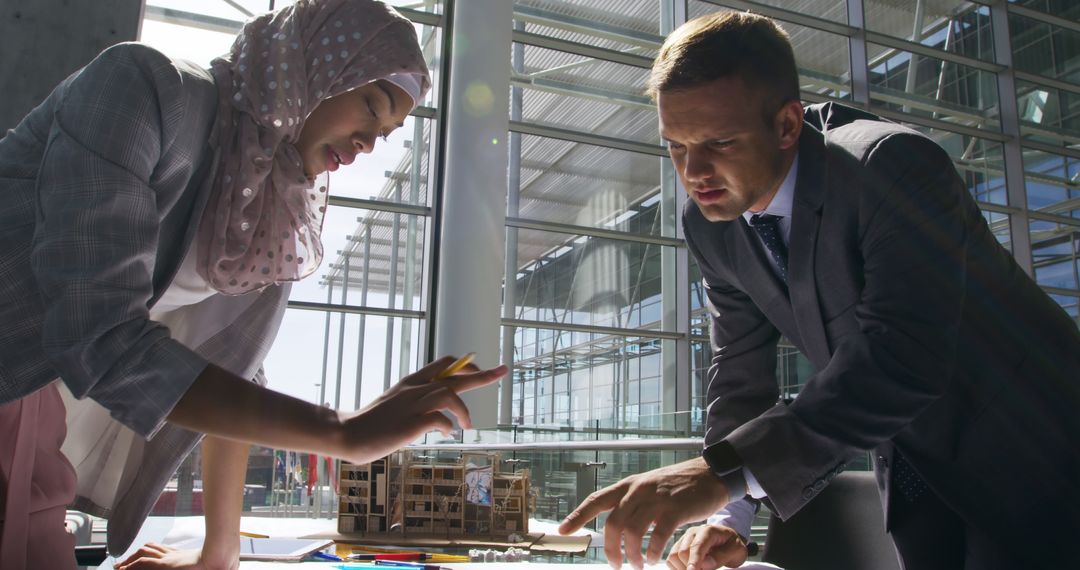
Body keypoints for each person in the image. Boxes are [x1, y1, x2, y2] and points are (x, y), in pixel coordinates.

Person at [559, 11, 1080, 570]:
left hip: (1037, 449)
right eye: (676, 146)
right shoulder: (708, 221)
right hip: (911, 462)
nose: (695, 171)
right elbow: (738, 368)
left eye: (720, 142)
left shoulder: (892, 166)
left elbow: (902, 356)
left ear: (787, 125)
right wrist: (728, 513)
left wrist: (722, 473)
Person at [0, 1, 507, 569]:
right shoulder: (142, 88)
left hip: (38, 413)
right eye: (372, 104)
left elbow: (238, 373)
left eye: (386, 134)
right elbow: (97, 333)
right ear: (311, 65)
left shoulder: (272, 208)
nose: (369, 143)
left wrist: (219, 553)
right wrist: (342, 431)